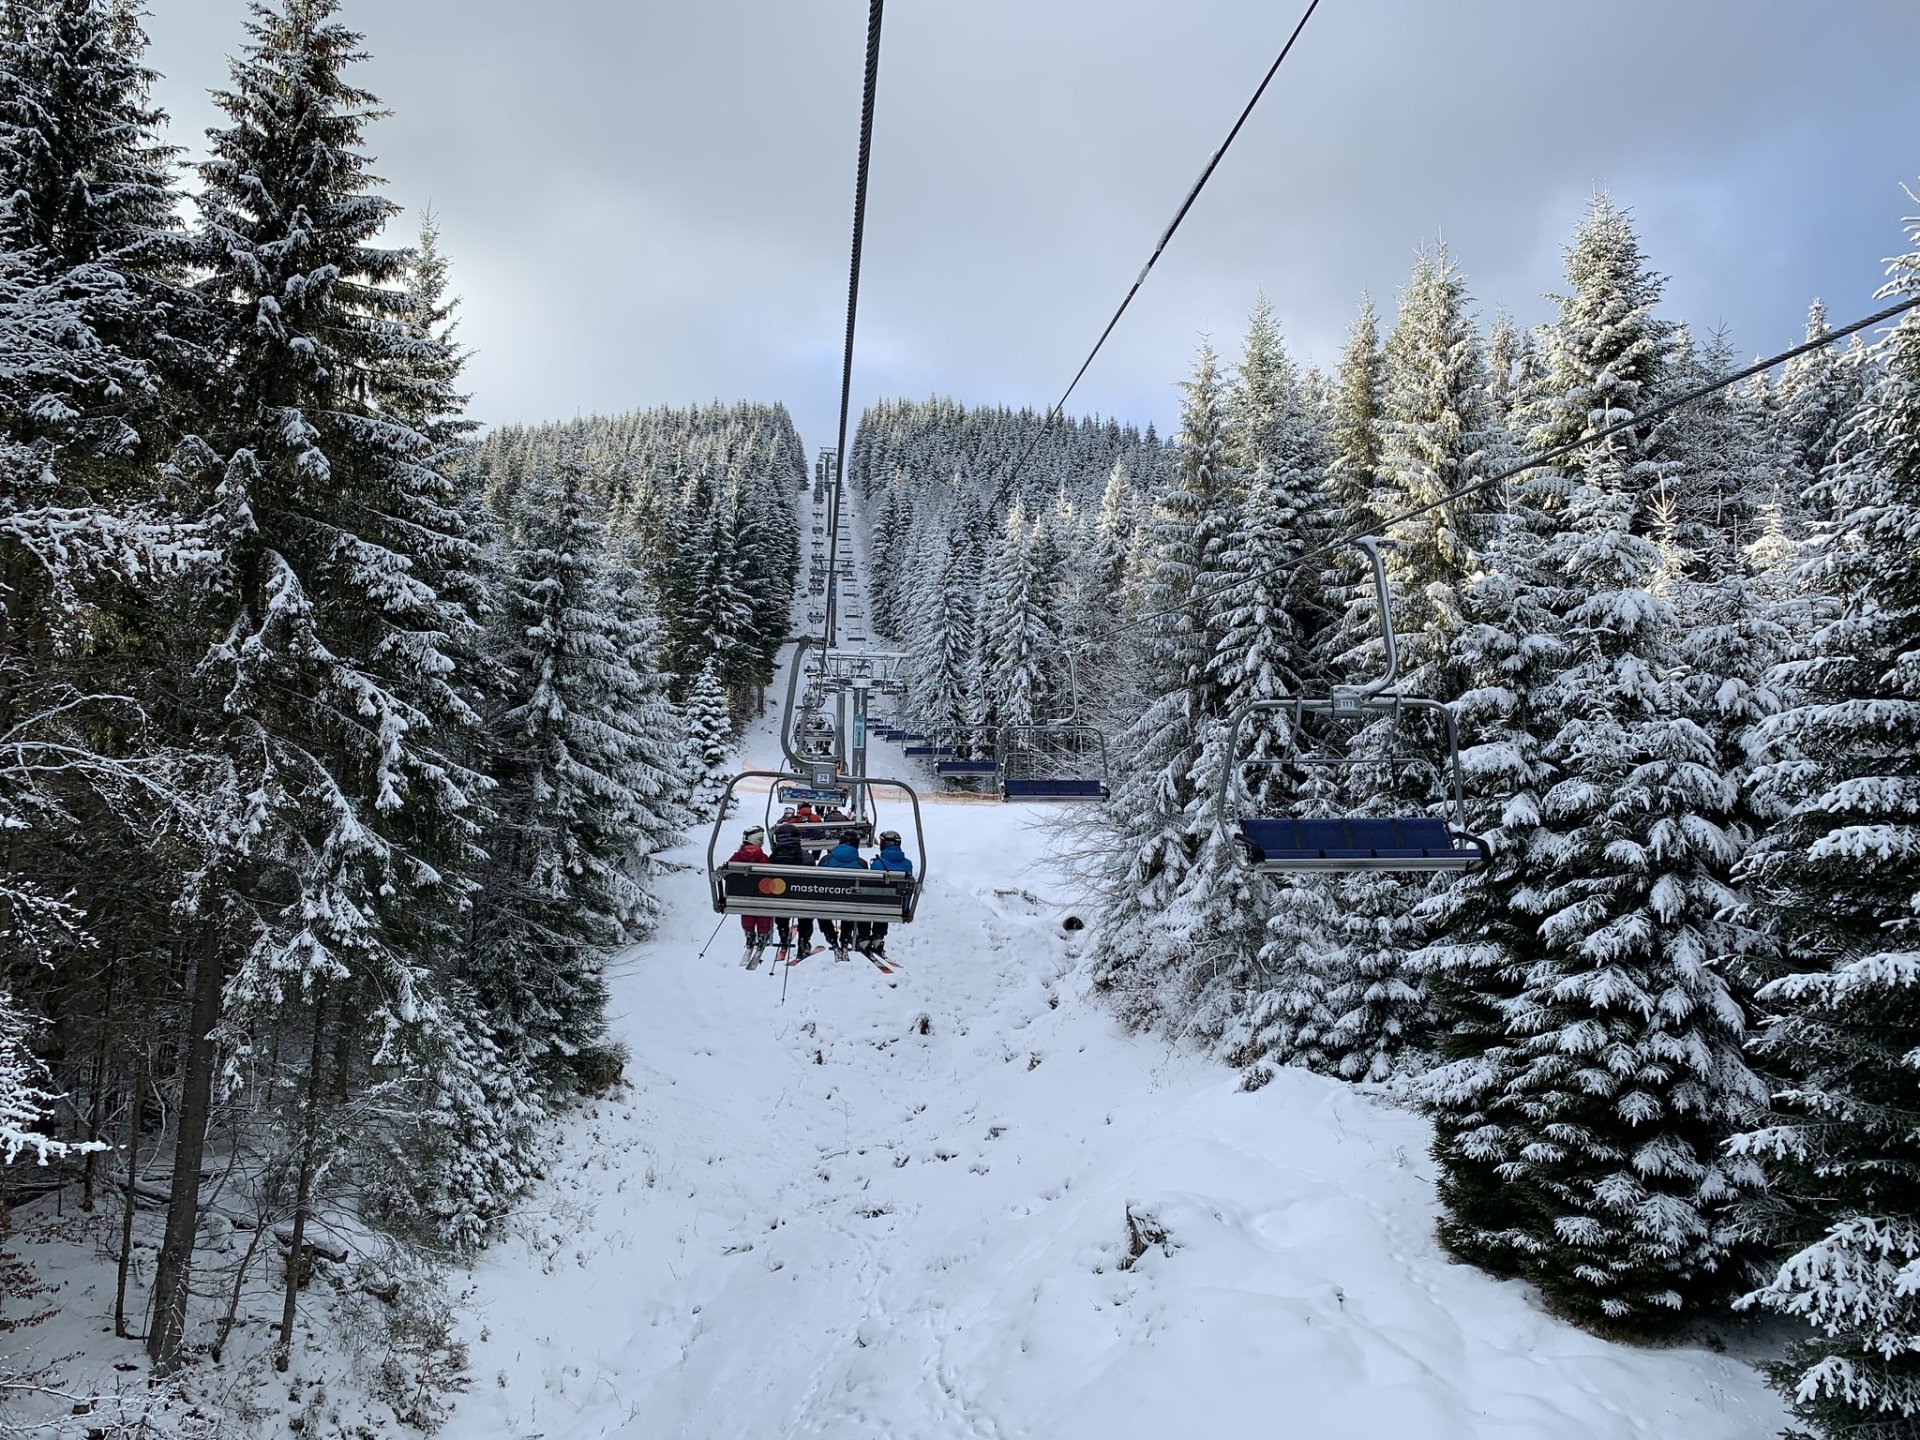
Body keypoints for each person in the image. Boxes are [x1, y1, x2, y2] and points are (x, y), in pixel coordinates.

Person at [766, 824, 835, 958]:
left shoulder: (772, 858)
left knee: (780, 897)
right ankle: (804, 939)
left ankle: (783, 931)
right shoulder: (807, 858)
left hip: (780, 899)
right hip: (803, 900)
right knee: (806, 905)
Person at [816, 830, 868, 958]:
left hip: (828, 901)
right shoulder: (861, 864)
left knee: (820, 903)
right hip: (850, 904)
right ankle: (846, 934)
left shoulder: (826, 860)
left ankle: (829, 934)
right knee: (852, 900)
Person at [725, 825, 773, 961]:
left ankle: (749, 932)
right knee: (763, 912)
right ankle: (763, 934)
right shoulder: (763, 858)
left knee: (747, 911)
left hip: (743, 895)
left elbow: (727, 873)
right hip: (762, 894)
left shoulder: (737, 857)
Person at [863, 829, 913, 958]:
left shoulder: (878, 864)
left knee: (874, 901)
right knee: (888, 903)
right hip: (898, 906)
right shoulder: (908, 864)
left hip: (876, 905)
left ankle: (863, 937)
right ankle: (878, 936)